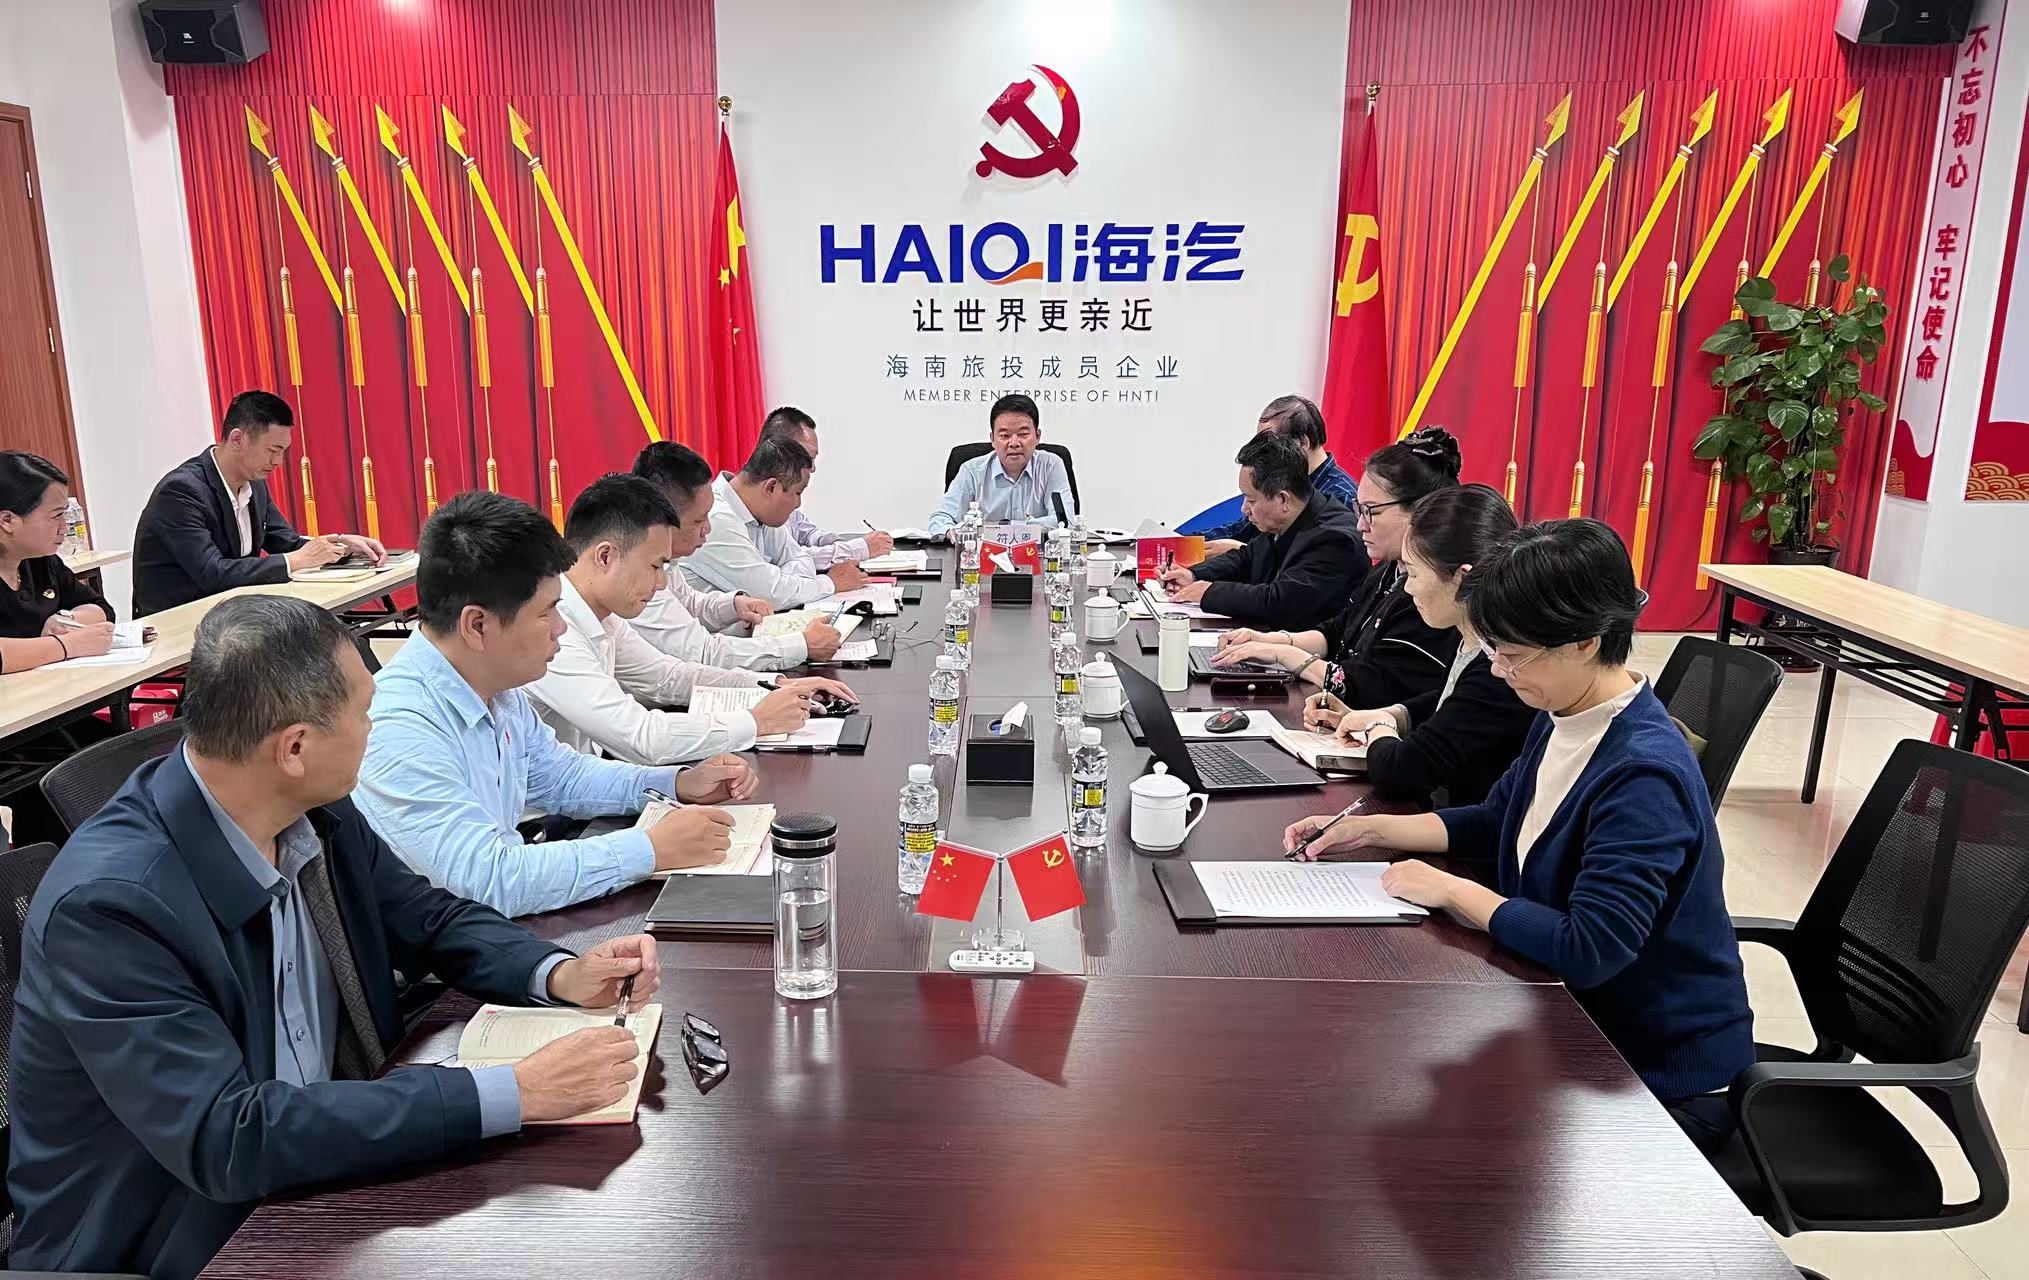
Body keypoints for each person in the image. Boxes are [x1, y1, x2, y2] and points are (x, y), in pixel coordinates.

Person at [7, 594, 664, 1280]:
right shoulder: (111, 906)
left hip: (322, 1162)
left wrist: (556, 973)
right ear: (294, 747)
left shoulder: (310, 808)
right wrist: (513, 1093)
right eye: (364, 715)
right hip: (181, 1234)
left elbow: (426, 916)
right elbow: (227, 1138)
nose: (372, 732)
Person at [1283, 519, 1754, 1132]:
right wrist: (1369, 831)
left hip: (1652, 1072)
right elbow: (1497, 819)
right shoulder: (1564, 712)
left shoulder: (1643, 774)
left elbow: (1591, 949)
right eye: (1494, 652)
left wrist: (1453, 890)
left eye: (1512, 654)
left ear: (1585, 642)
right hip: (1565, 1017)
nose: (1500, 672)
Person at [356, 491, 752, 918]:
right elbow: (488, 880)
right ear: (478, 625)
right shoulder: (400, 727)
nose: (561, 628)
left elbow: (562, 776)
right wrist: (650, 849)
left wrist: (676, 783)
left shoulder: (494, 685)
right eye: (547, 613)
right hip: (446, 945)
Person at [529, 473, 855, 765]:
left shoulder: (603, 616)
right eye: (655, 566)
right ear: (605, 556)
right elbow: (640, 737)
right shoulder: (555, 632)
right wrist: (755, 721)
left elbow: (668, 677)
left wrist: (774, 686)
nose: (661, 583)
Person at [1310, 485, 1533, 808]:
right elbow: (1448, 702)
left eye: (1413, 574)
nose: (1407, 589)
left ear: (1461, 577)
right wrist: (1386, 715)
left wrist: (1379, 727)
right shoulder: (1469, 638)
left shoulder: (1499, 666)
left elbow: (1400, 773)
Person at [1211, 426, 1462, 710]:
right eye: (1359, 509)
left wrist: (1283, 654)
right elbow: (1337, 631)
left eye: (1371, 511)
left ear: (1421, 512)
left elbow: (1368, 686)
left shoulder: (1429, 594)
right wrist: (1272, 641)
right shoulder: (1387, 570)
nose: (1361, 524)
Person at [132, 390, 385, 615]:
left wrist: (340, 545)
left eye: (283, 451)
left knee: (336, 635)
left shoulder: (255, 483)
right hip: (179, 621)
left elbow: (287, 542)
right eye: (272, 450)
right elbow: (213, 573)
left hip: (232, 614)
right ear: (237, 439)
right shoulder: (181, 491)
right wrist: (297, 560)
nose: (278, 462)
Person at [630, 440, 843, 669]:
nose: (707, 528)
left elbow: (688, 602)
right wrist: (801, 646)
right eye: (699, 520)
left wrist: (734, 605)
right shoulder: (637, 575)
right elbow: (703, 654)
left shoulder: (665, 562)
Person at [1153, 433, 1365, 629]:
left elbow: (1279, 602)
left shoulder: (1335, 539)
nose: (1244, 509)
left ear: (1283, 499)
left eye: (1251, 500)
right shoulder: (1287, 519)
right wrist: (1193, 575)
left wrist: (1209, 592)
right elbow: (1247, 558)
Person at [680, 436, 866, 608]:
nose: (798, 503)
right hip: (722, 633)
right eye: (798, 492)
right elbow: (770, 596)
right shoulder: (716, 519)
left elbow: (801, 559)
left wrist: (779, 581)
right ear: (771, 487)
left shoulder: (760, 512)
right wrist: (829, 584)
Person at [0, 450, 128, 673]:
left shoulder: (40, 560)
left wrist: (67, 619)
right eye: (56, 515)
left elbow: (101, 608)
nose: (64, 527)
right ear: (7, 520)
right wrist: (66, 645)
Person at [1197, 395, 1360, 555]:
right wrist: (1186, 541)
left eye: (1270, 443)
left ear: (1302, 443)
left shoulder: (1342, 497)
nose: (1262, 451)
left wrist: (1243, 552)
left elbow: (1316, 560)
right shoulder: (1276, 481)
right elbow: (1241, 530)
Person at [759, 406, 896, 567]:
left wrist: (834, 541)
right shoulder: (762, 501)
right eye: (808, 458)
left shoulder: (785, 492)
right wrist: (858, 549)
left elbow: (806, 533)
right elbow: (791, 558)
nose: (813, 468)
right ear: (782, 450)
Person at [926, 393, 1075, 537]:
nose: (1014, 443)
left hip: (1037, 552)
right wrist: (951, 532)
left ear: (1037, 436)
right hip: (981, 553)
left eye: (1023, 434)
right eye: (1005, 435)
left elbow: (1064, 520)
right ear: (992, 439)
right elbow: (940, 518)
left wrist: (1009, 529)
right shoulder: (972, 471)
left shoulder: (1051, 466)